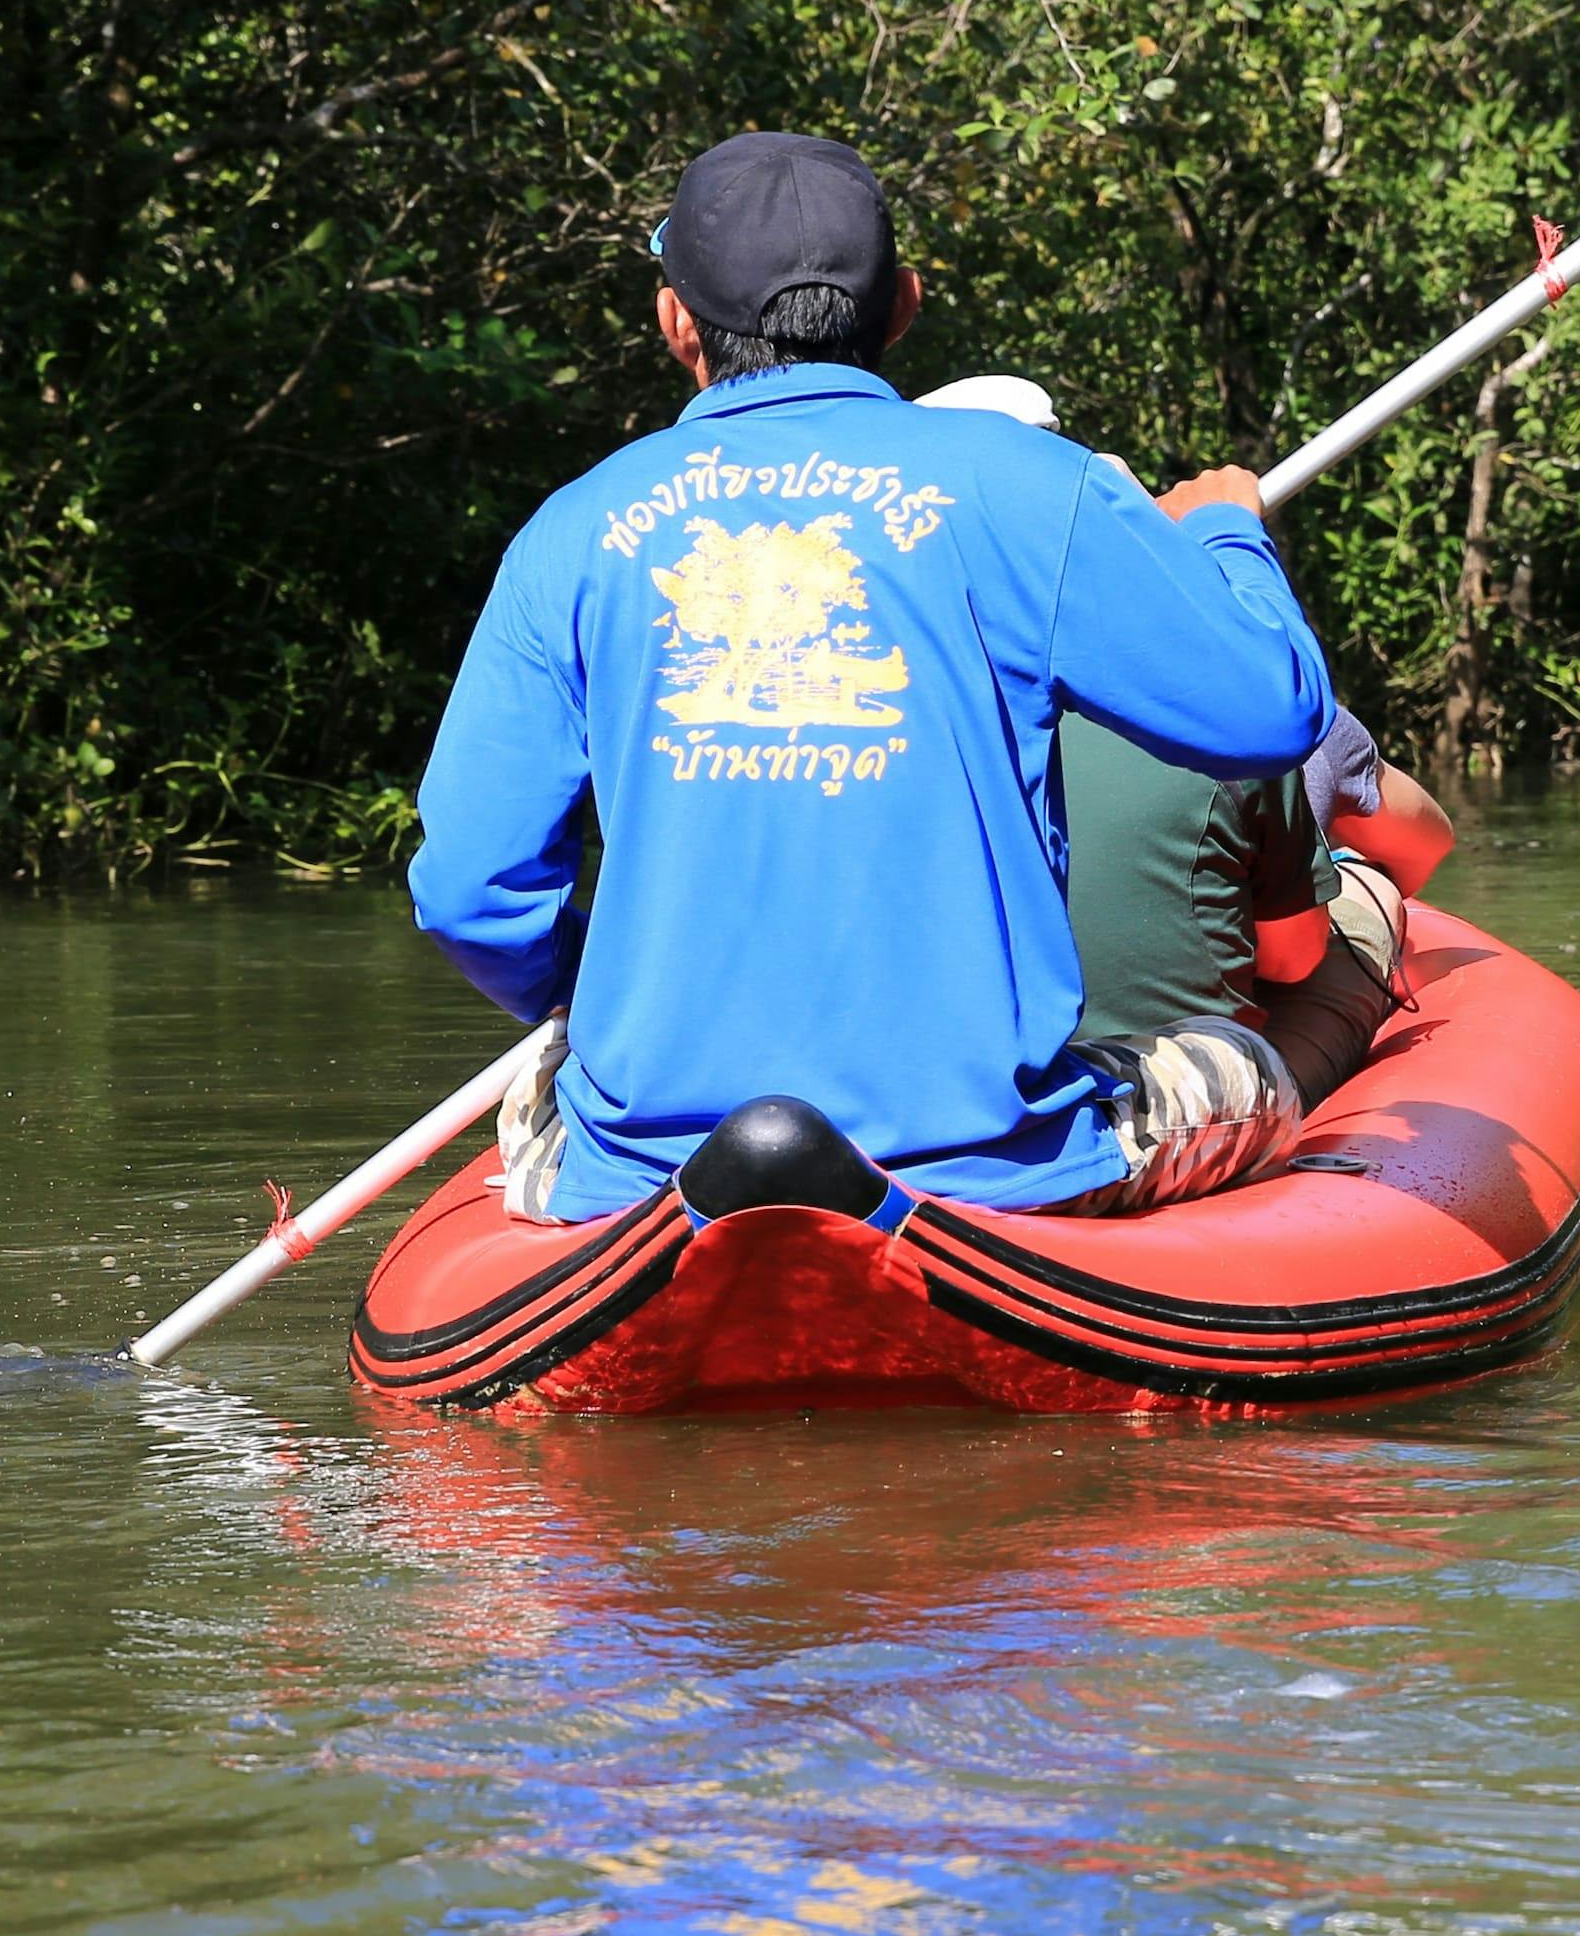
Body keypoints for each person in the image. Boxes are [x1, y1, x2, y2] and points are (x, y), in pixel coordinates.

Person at [407, 132, 1336, 1224]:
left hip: (651, 1169)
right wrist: (1226, 535)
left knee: (548, 1087)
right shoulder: (1038, 487)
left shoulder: (568, 534)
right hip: (985, 1159)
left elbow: (470, 892)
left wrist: (580, 990)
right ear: (902, 304)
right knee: (1248, 1065)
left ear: (674, 322)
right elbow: (1271, 709)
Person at [920, 374, 1457, 1101]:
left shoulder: (877, 708)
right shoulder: (1237, 706)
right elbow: (1300, 955)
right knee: (1369, 888)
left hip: (943, 1081)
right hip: (1156, 1095)